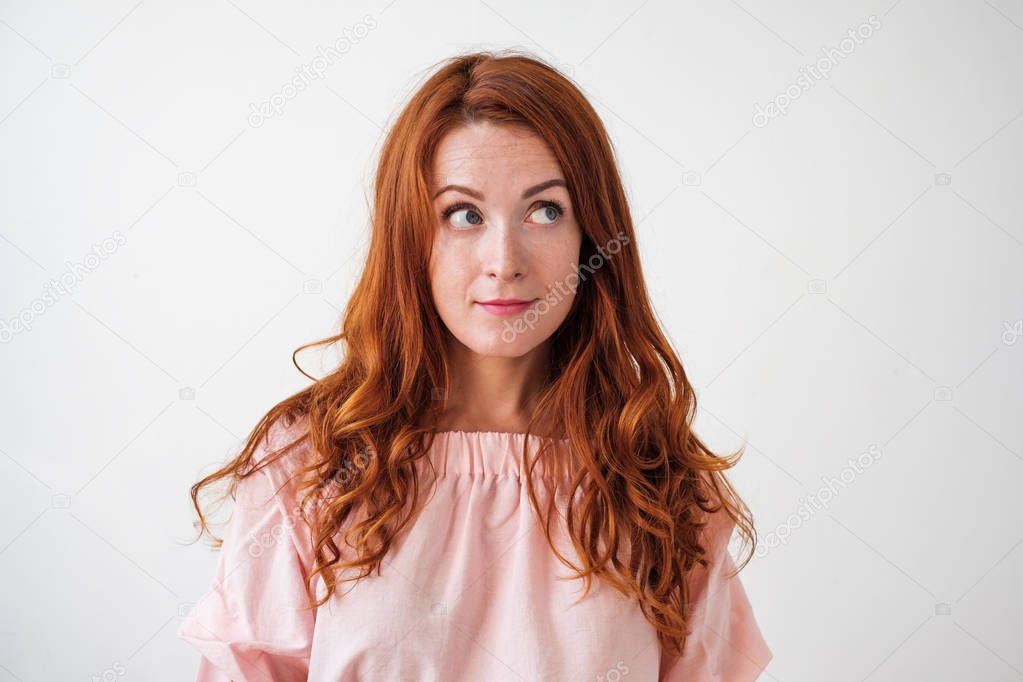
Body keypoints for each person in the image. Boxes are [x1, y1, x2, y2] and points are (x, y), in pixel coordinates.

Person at [177, 49, 773, 681]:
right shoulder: (310, 464)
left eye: (546, 210)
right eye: (463, 214)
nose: (504, 259)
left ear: (592, 235)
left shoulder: (659, 484)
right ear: (411, 235)